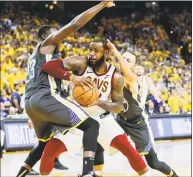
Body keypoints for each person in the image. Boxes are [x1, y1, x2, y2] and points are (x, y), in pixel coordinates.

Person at [16, 2, 116, 177]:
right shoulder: (47, 44)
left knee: (44, 141)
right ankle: (87, 173)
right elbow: (76, 24)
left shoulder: (37, 57)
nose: (58, 34)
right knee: (92, 125)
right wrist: (101, 4)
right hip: (45, 98)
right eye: (54, 31)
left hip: (30, 103)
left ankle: (21, 173)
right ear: (46, 36)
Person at [39, 38, 148, 176]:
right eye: (90, 49)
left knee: (128, 149)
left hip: (101, 119)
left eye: (96, 51)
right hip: (78, 119)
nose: (91, 53)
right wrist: (71, 77)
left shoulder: (115, 76)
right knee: (49, 152)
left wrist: (99, 102)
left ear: (106, 53)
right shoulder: (81, 63)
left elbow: (119, 107)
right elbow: (47, 66)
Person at [106, 40, 179, 177]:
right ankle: (92, 172)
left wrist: (117, 53)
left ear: (133, 67)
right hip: (121, 120)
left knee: (154, 163)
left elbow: (127, 74)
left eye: (128, 60)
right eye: (124, 58)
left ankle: (174, 176)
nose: (124, 61)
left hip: (138, 123)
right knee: (97, 135)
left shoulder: (132, 79)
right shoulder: (113, 75)